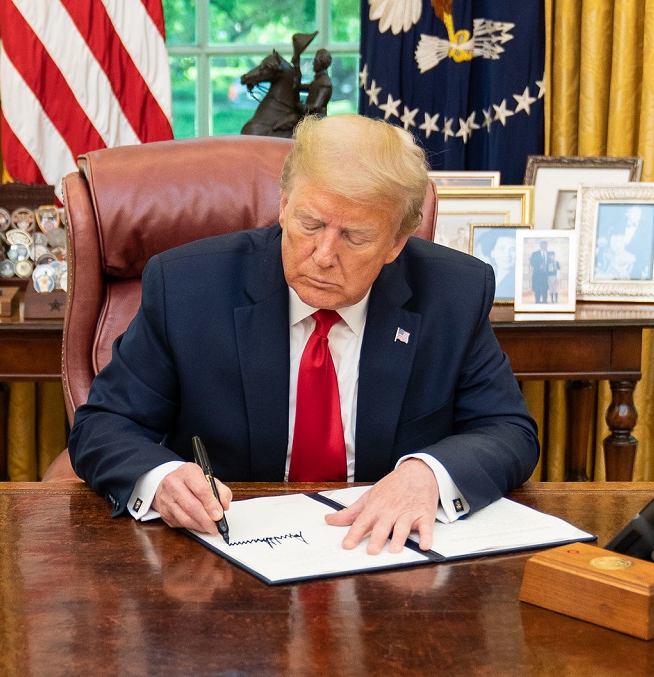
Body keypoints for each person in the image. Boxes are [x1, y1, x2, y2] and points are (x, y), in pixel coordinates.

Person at [69, 114, 538, 556]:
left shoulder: (452, 293)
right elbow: (103, 425)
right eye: (309, 224)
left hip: (383, 556)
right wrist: (162, 477)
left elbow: (508, 431)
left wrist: (428, 475)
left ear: (397, 242)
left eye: (355, 237)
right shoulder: (187, 287)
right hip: (230, 555)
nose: (323, 255)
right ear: (283, 204)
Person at [473, 229, 516, 299]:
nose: (507, 254)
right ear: (492, 252)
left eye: (513, 249)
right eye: (502, 249)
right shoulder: (486, 277)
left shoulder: (516, 282)